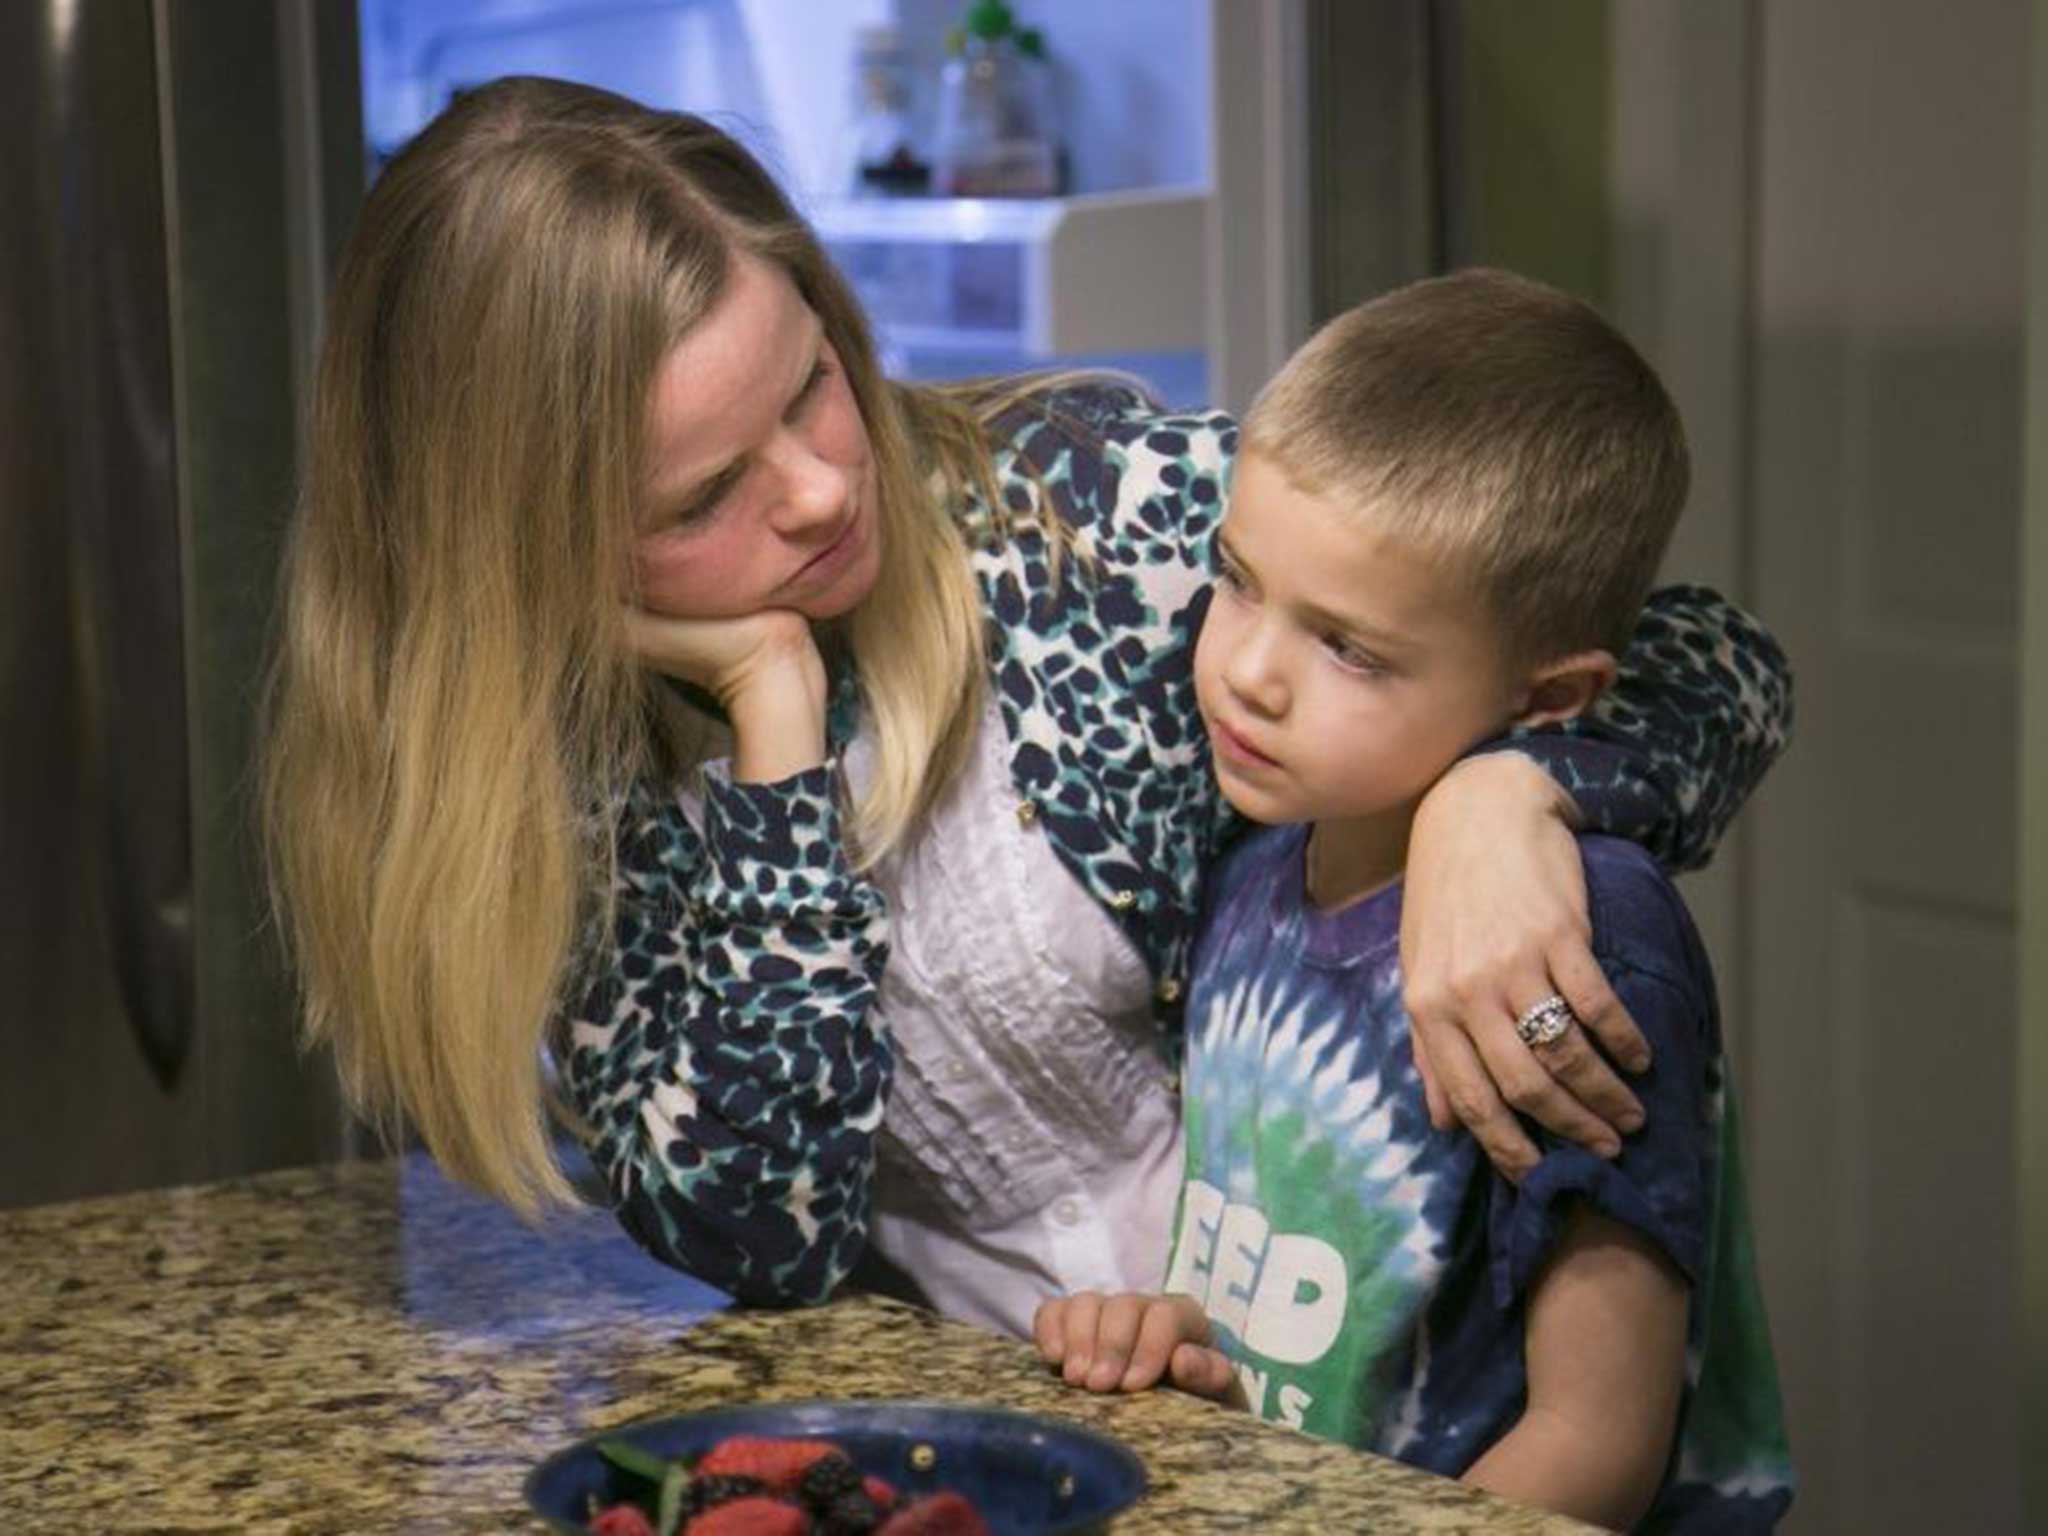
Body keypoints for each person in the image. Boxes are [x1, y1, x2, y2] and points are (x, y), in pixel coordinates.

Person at [260, 78, 1792, 1342]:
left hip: (1370, 1413)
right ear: (521, 558)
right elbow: (762, 1230)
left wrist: (1503, 793)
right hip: (1004, 1454)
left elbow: (1719, 663)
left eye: (806, 386)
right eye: (707, 493)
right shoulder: (564, 805)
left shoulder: (1077, 516)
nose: (818, 487)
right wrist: (773, 727)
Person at [1031, 270, 1794, 1531]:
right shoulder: (1253, 869)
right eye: (1236, 578)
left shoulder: (1580, 944)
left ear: (1547, 699)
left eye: (1347, 647)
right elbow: (1322, 1338)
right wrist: (1180, 1347)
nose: (1246, 672)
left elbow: (1597, 1443)